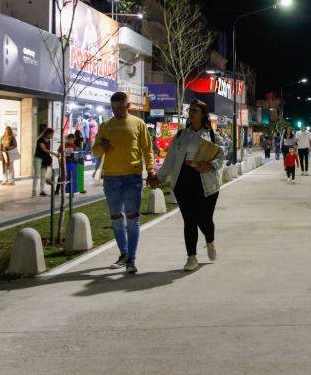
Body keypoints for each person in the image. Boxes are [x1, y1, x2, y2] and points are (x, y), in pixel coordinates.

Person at [92, 91, 158, 275]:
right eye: (113, 108)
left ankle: (131, 258)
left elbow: (147, 150)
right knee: (116, 219)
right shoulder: (105, 126)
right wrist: (102, 147)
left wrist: (151, 171)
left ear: (128, 105)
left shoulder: (138, 124)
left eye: (120, 107)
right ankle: (124, 253)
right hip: (111, 178)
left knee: (132, 219)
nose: (117, 111)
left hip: (132, 177)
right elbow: (96, 152)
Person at [158, 99, 224, 272]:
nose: (192, 113)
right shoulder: (180, 135)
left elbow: (221, 155)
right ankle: (191, 257)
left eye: (195, 110)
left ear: (203, 114)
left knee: (205, 219)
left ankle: (210, 241)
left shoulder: (212, 135)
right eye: (191, 110)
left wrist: (210, 165)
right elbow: (170, 159)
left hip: (206, 180)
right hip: (184, 180)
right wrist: (159, 178)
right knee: (189, 220)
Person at [32, 128, 58, 197]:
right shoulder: (40, 140)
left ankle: (42, 191)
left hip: (44, 160)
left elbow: (46, 151)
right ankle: (34, 190)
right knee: (37, 174)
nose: (52, 135)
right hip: (38, 158)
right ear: (48, 133)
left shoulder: (48, 141)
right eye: (51, 134)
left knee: (43, 175)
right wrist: (54, 154)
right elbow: (44, 149)